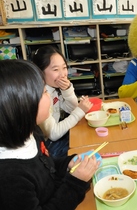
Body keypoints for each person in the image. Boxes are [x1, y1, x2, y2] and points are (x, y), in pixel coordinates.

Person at [0, 59, 100, 209]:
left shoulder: (32, 133)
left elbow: (48, 166)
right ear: (22, 105)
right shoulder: (10, 178)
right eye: (44, 92)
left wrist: (68, 163)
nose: (49, 97)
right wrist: (76, 183)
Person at [32, 45, 92, 157]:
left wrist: (67, 90)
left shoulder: (53, 87)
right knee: (85, 150)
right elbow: (53, 134)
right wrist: (79, 111)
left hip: (56, 138)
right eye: (55, 69)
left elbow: (71, 109)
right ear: (40, 72)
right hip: (46, 147)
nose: (63, 74)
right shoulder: (41, 96)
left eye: (64, 67)